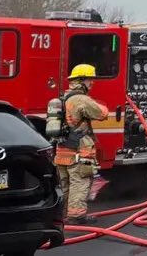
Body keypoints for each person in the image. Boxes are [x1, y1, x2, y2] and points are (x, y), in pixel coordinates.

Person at [54, 64, 109, 224]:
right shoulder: (80, 99)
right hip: (78, 150)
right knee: (80, 181)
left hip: (62, 150)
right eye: (89, 79)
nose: (92, 83)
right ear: (81, 80)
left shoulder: (64, 98)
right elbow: (101, 113)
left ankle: (61, 215)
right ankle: (76, 215)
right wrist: (102, 106)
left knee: (65, 184)